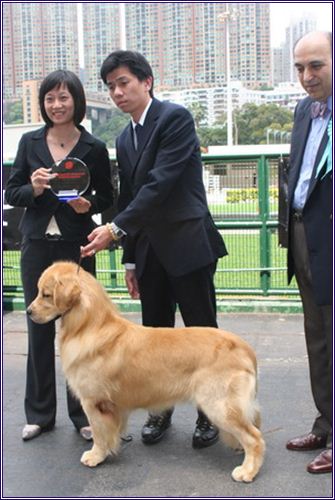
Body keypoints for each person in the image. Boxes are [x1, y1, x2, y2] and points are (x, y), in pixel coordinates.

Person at [81, 50, 227, 448]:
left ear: (147, 81)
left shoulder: (174, 118)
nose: (116, 92)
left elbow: (160, 184)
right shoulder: (125, 137)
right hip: (148, 252)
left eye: (123, 82)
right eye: (110, 86)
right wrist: (129, 257)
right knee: (153, 339)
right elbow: (130, 196)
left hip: (187, 243)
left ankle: (209, 414)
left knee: (202, 335)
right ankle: (160, 412)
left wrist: (113, 228)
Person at [5, 70, 114, 442]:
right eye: (50, 98)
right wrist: (32, 188)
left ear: (77, 102)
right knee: (38, 329)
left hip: (76, 246)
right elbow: (12, 191)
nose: (57, 105)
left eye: (64, 98)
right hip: (37, 244)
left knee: (81, 334)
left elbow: (108, 199)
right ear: (43, 103)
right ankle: (38, 414)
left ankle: (83, 415)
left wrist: (90, 207)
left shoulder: (94, 148)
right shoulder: (30, 141)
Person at [283, 32, 332, 474]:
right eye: (299, 68)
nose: (306, 76)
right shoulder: (304, 110)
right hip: (302, 236)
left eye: (316, 65)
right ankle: (325, 424)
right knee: (317, 338)